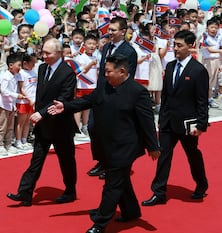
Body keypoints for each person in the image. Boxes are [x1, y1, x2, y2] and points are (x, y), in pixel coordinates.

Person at [48, 54, 160, 233]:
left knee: (112, 184)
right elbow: (87, 101)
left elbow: (147, 121)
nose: (105, 74)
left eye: (108, 71)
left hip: (124, 147)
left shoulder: (137, 92)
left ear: (122, 71)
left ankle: (100, 223)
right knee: (121, 180)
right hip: (105, 144)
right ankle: (131, 211)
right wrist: (65, 107)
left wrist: (153, 146)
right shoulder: (104, 86)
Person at [6, 38, 78, 206]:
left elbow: (63, 99)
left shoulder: (67, 73)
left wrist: (42, 113)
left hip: (61, 124)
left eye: (48, 53)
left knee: (66, 159)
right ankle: (25, 192)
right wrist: (37, 112)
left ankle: (70, 190)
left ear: (59, 53)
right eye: (43, 52)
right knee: (37, 158)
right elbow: (41, 95)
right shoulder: (43, 68)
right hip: (43, 123)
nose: (44, 56)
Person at [142, 30, 209, 206]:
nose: (175, 48)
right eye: (174, 45)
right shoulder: (171, 66)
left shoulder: (198, 70)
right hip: (168, 122)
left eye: (179, 45)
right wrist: (161, 117)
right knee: (163, 155)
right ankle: (159, 192)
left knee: (192, 155)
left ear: (191, 46)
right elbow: (166, 95)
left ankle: (201, 184)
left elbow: (202, 100)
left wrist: (201, 125)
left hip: (188, 124)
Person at [87, 16, 138, 179]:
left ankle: (111, 165)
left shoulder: (129, 51)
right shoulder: (107, 47)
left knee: (111, 132)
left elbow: (128, 77)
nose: (109, 32)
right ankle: (101, 160)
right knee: (93, 127)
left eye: (113, 30)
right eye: (109, 29)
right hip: (101, 93)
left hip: (116, 96)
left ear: (123, 32)